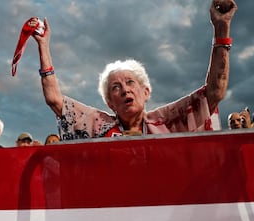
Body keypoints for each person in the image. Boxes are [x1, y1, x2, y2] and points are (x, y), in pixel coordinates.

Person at [29, 0, 237, 140]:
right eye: (115, 87)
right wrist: (44, 46)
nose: (125, 90)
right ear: (110, 103)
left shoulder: (168, 121)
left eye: (130, 83)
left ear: (146, 92)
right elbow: (55, 100)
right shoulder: (98, 126)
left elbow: (214, 93)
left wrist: (221, 31)